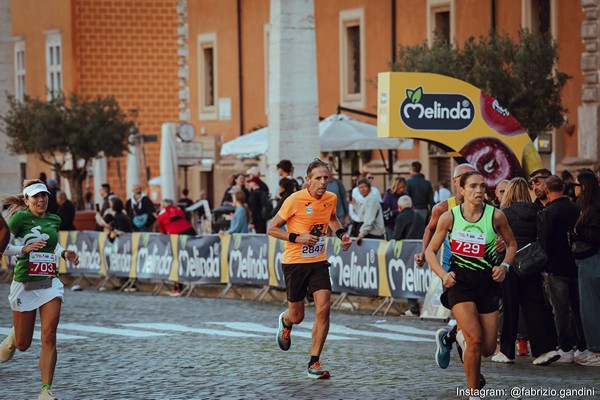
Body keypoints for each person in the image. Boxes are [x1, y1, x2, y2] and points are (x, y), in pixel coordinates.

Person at [425, 171, 516, 395]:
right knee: (474, 341)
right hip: (460, 282)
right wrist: (443, 275)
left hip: (487, 282)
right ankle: (473, 393)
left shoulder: (495, 216)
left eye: (482, 186)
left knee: (486, 348)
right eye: (473, 186)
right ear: (462, 190)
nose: (479, 190)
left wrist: (504, 266)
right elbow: (430, 251)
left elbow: (512, 245)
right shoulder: (450, 217)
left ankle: (454, 335)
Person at [268, 158, 351, 379]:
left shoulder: (331, 198)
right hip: (295, 263)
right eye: (319, 178)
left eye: (326, 178)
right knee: (297, 316)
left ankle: (314, 362)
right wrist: (298, 237)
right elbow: (272, 229)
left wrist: (342, 235)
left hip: (318, 261)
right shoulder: (294, 200)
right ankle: (285, 321)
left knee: (324, 307)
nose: (323, 182)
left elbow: (332, 219)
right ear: (308, 180)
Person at [0, 179, 80, 400]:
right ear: (26, 200)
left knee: (49, 335)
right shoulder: (19, 218)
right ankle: (15, 336)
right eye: (36, 196)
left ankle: (45, 391)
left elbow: (53, 244)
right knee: (24, 344)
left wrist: (65, 254)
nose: (41, 199)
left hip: (49, 282)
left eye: (44, 195)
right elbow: (2, 245)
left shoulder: (54, 219)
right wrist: (23, 249)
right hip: (25, 282)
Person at [492, 177, 560, 365]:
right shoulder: (538, 211)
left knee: (509, 308)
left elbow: (495, 241)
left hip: (509, 264)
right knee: (534, 307)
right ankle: (543, 350)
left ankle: (506, 352)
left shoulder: (504, 213)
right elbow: (544, 239)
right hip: (531, 264)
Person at [415, 163, 475, 369]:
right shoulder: (442, 208)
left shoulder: (484, 205)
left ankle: (447, 340)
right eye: (464, 177)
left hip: (479, 272)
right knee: (465, 324)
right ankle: (474, 375)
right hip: (450, 272)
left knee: (474, 323)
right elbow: (429, 230)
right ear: (456, 182)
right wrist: (424, 252)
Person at [539, 175, 586, 363]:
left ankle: (566, 347)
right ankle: (581, 345)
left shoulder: (548, 212)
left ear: (547, 191)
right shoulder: (576, 208)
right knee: (577, 308)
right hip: (575, 264)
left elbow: (544, 242)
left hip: (555, 268)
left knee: (560, 310)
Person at [571, 169, 600, 366]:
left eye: (576, 185)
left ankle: (596, 350)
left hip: (591, 259)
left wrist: (578, 230)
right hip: (587, 259)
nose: (573, 189)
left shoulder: (594, 208)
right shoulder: (586, 206)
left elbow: (594, 235)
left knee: (590, 306)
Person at [393, 195, 426, 316]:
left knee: (409, 279)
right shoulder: (419, 216)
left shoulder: (401, 216)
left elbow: (397, 236)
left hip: (407, 252)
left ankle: (413, 308)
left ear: (400, 207)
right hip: (421, 250)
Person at [352, 178, 385, 243]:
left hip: (374, 235)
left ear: (369, 188)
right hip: (368, 234)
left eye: (365, 187)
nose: (362, 189)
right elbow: (361, 214)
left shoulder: (372, 200)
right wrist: (354, 204)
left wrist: (361, 234)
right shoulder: (365, 200)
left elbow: (369, 220)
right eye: (360, 187)